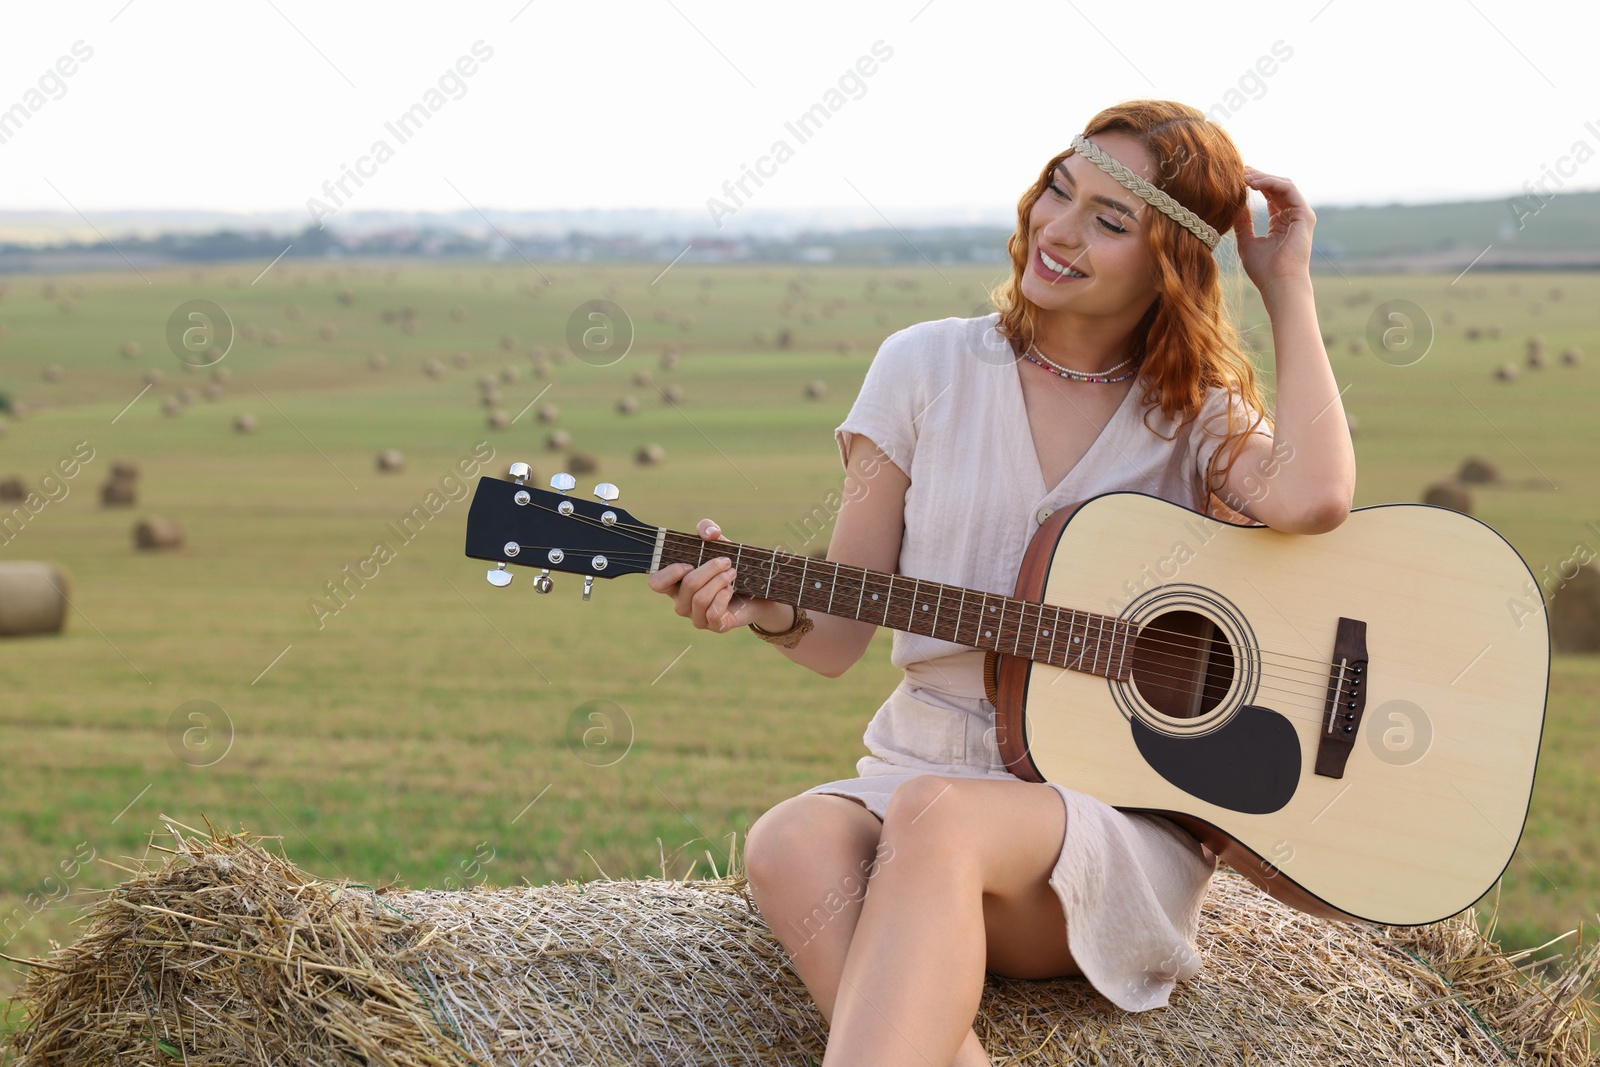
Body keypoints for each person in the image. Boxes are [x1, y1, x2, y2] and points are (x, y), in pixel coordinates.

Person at [646, 98, 1355, 1067]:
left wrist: (1286, 283)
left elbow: (1316, 498)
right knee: (788, 841)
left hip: (1106, 819)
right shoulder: (921, 366)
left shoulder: (1194, 418)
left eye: (1110, 221)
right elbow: (839, 632)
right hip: (919, 767)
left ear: (1171, 266)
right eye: (1058, 191)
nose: (1058, 230)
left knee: (939, 815)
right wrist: (766, 606)